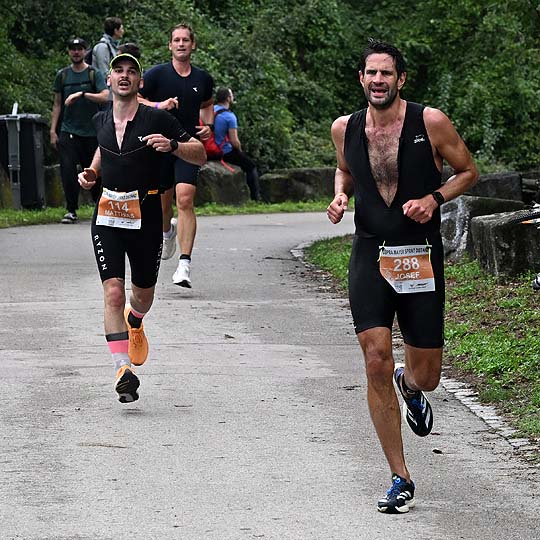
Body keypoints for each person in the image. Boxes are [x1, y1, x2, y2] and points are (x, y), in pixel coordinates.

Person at [326, 39, 478, 514]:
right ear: (361, 78)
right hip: (370, 253)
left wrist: (434, 199)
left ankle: (409, 386)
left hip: (419, 256)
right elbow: (344, 170)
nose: (378, 80)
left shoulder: (429, 122)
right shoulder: (344, 127)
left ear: (401, 79)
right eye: (371, 73)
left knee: (428, 375)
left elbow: (468, 171)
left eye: (386, 73)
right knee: (374, 357)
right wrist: (340, 195)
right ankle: (400, 476)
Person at [78, 53, 206, 403]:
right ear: (108, 80)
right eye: (118, 70)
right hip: (107, 214)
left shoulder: (158, 118)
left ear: (140, 82)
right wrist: (92, 173)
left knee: (142, 296)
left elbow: (200, 153)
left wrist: (174, 146)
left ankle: (135, 320)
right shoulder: (100, 119)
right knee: (113, 293)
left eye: (131, 71)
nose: (124, 76)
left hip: (146, 214)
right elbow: (103, 149)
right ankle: (123, 371)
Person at [138, 23, 214, 288]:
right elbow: (135, 99)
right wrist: (160, 105)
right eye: (176, 40)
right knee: (163, 205)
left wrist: (208, 126)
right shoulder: (157, 75)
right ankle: (167, 231)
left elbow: (207, 105)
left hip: (187, 146)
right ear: (170, 45)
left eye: (185, 40)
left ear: (193, 45)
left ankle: (184, 264)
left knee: (185, 198)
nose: (181, 44)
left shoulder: (203, 79)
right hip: (160, 146)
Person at [50, 37, 109, 223]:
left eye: (80, 49)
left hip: (92, 131)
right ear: (69, 51)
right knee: (67, 170)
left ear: (85, 51)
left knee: (93, 171)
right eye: (73, 49)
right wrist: (53, 130)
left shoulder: (93, 74)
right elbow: (57, 104)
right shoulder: (62, 75)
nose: (76, 52)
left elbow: (105, 96)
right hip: (68, 130)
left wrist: (83, 94)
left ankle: (99, 207)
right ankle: (71, 209)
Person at [213, 87, 261, 201]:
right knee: (250, 166)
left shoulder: (210, 111)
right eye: (231, 95)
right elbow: (234, 142)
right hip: (224, 152)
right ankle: (255, 198)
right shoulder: (229, 117)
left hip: (208, 149)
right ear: (228, 99)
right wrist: (240, 150)